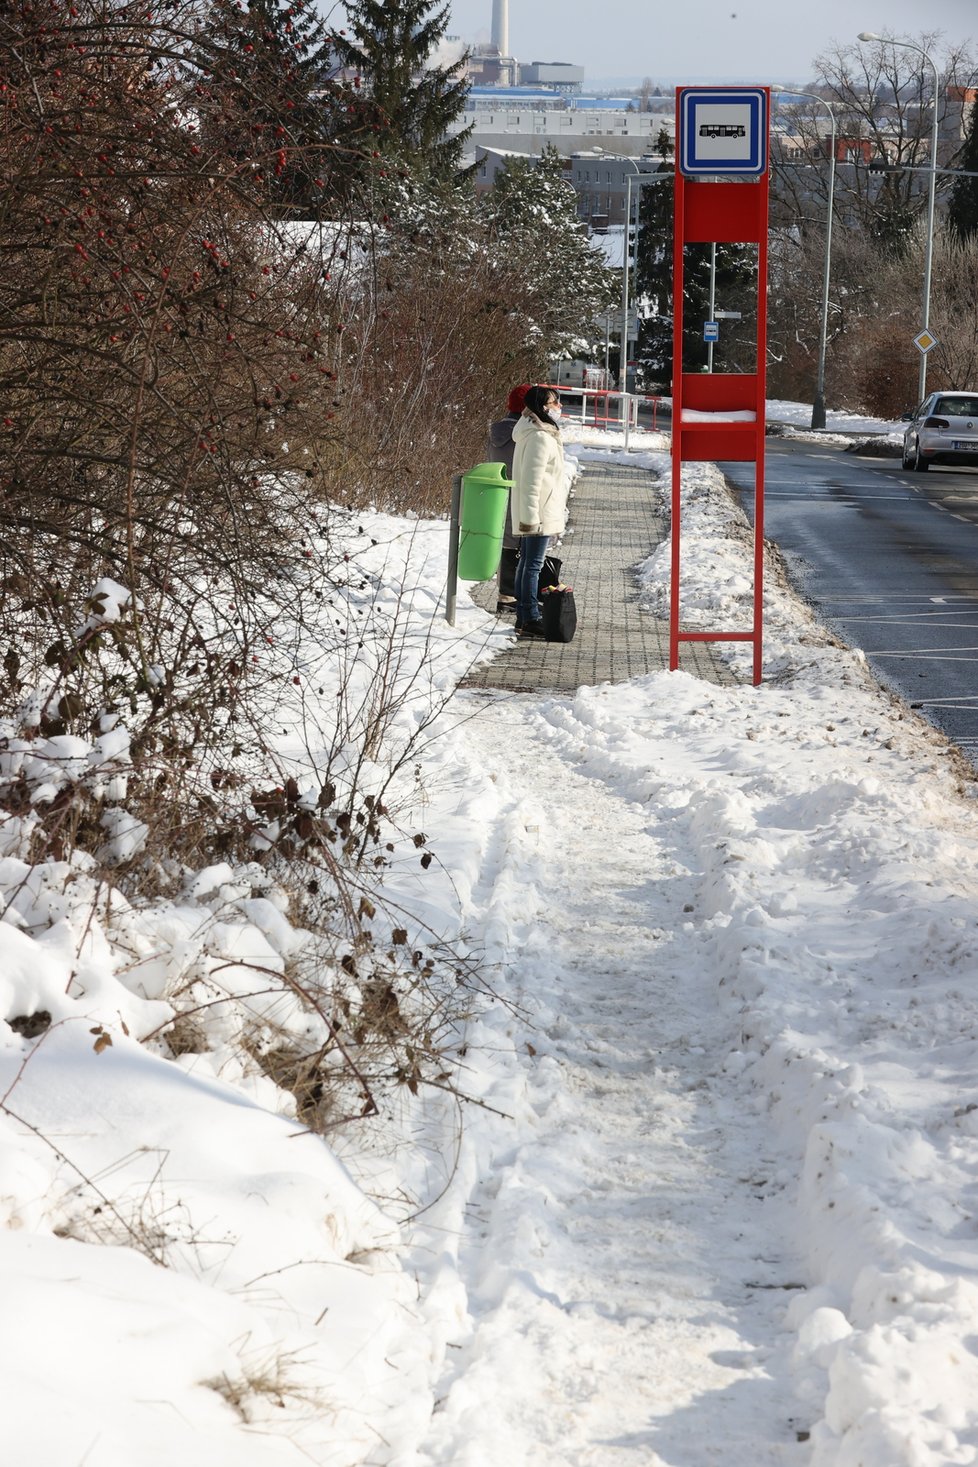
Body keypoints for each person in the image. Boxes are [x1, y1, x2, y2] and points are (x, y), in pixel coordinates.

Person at [511, 385, 568, 638]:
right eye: (555, 403)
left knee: (527, 564)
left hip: (539, 510)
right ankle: (530, 616)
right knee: (532, 565)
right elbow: (533, 481)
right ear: (543, 407)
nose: (559, 407)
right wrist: (531, 519)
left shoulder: (537, 432)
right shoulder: (539, 437)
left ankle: (524, 616)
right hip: (538, 512)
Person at [486, 384, 531, 612]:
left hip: (499, 491)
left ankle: (505, 595)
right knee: (521, 545)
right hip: (520, 492)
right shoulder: (523, 433)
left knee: (506, 542)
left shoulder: (496, 430)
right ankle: (512, 596)